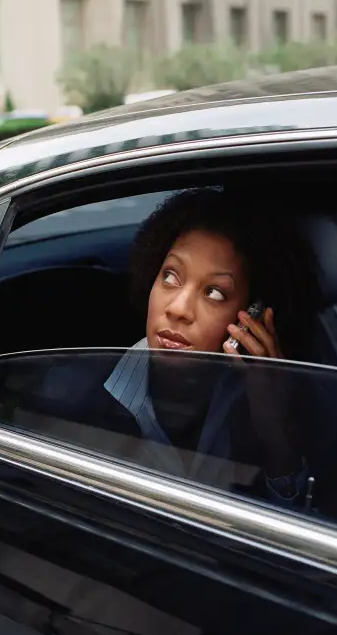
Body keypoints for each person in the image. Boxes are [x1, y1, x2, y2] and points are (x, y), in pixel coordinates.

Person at [100, 188, 313, 506]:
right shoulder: (82, 393)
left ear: (252, 316)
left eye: (214, 293)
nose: (178, 309)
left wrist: (275, 431)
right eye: (171, 276)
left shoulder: (255, 405)